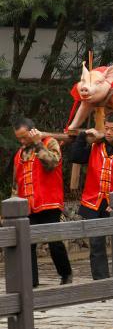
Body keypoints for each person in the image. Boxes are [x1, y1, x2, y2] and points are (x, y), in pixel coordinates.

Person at [70, 113, 113, 280]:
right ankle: (101, 282)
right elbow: (76, 157)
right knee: (96, 245)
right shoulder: (96, 146)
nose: (108, 132)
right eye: (106, 128)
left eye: (112, 129)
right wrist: (82, 136)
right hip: (94, 202)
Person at [12, 118, 72, 287]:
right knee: (27, 243)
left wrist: (39, 144)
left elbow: (52, 163)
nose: (22, 141)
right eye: (19, 139)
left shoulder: (50, 142)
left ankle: (66, 274)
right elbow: (16, 182)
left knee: (54, 242)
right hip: (27, 205)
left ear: (33, 131)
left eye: (25, 137)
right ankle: (31, 282)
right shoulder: (20, 153)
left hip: (48, 203)